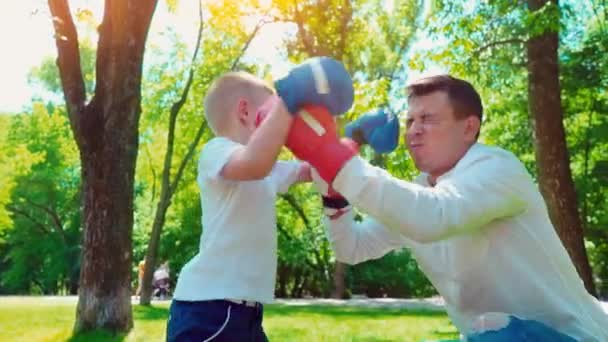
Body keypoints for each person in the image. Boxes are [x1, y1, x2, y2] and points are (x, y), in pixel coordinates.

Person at [288, 75, 608, 341]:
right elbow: (352, 247)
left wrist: (334, 159)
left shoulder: (496, 168)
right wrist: (334, 197)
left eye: (427, 119)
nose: (413, 129)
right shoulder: (418, 194)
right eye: (410, 119)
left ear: (469, 128)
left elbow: (434, 216)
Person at [166, 57, 354, 342]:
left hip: (246, 314)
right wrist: (290, 96)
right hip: (209, 311)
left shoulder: (267, 171)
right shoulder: (216, 152)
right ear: (245, 112)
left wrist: (355, 138)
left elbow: (313, 168)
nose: (282, 128)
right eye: (272, 115)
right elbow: (255, 162)